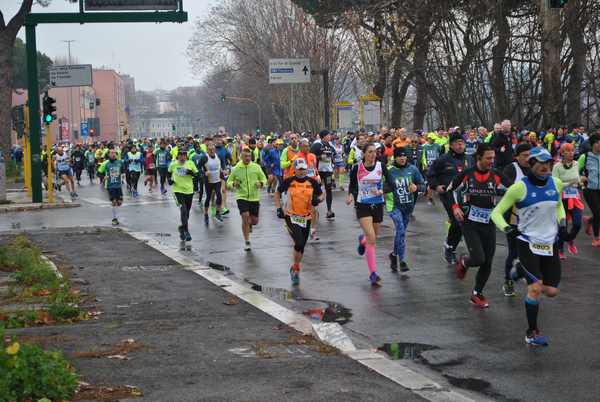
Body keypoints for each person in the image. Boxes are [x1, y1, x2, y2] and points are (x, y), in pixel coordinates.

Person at [491, 147, 567, 346]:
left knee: (551, 291)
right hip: (527, 242)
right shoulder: (519, 188)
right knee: (535, 288)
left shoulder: (556, 183)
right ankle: (531, 333)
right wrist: (507, 228)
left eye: (548, 163)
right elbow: (496, 213)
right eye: (540, 163)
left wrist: (562, 222)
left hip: (550, 243)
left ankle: (517, 271)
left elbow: (558, 205)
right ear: (531, 164)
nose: (545, 166)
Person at [452, 144, 511, 308]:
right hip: (469, 223)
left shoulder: (497, 175)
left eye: (493, 158)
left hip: (488, 222)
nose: (492, 161)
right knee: (478, 258)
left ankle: (477, 293)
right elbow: (450, 190)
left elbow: (515, 189)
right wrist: (455, 207)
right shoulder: (467, 174)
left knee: (487, 262)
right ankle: (463, 262)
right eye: (488, 158)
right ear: (478, 158)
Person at [274, 158, 323, 285]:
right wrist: (279, 208)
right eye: (299, 169)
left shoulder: (312, 182)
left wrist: (318, 200)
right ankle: (295, 269)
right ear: (294, 170)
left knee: (301, 247)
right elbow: (277, 193)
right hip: (291, 216)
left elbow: (321, 195)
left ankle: (295, 267)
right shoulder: (289, 181)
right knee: (299, 243)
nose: (302, 171)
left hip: (306, 218)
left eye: (304, 169)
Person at [346, 143, 388, 287]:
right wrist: (351, 195)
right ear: (364, 154)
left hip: (378, 204)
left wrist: (382, 191)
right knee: (372, 238)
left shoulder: (381, 166)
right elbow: (352, 185)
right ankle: (373, 274)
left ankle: (362, 240)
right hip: (362, 205)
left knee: (373, 237)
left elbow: (390, 183)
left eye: (374, 152)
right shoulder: (357, 168)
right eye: (369, 152)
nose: (372, 155)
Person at [428, 133, 469, 264]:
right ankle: (449, 248)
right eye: (457, 142)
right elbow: (431, 174)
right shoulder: (443, 160)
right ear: (451, 145)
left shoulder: (469, 159)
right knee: (457, 221)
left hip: (466, 195)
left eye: (462, 142)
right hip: (448, 195)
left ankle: (452, 245)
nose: (460, 145)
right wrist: (435, 186)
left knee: (463, 224)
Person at [385, 147, 424, 272]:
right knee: (400, 229)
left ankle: (394, 255)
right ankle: (401, 261)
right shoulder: (389, 170)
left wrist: (416, 187)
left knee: (400, 234)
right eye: (399, 156)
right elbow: (380, 185)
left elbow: (423, 185)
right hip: (394, 206)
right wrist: (384, 191)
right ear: (394, 157)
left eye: (404, 156)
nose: (402, 158)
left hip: (408, 207)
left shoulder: (412, 169)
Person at [500, 142, 531, 296]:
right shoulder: (511, 169)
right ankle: (508, 282)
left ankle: (524, 274)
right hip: (513, 218)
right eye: (524, 155)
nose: (527, 158)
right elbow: (503, 189)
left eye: (529, 155)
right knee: (514, 252)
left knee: (530, 251)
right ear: (516, 156)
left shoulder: (535, 168)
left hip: (531, 219)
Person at [227, 148, 268, 251]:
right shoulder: (236, 168)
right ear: (241, 157)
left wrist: (261, 183)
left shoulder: (256, 167)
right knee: (245, 216)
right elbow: (228, 182)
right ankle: (247, 241)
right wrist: (233, 184)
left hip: (254, 197)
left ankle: (249, 224)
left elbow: (264, 179)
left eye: (249, 156)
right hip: (242, 196)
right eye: (245, 156)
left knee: (254, 221)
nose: (248, 158)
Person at [552, 143, 584, 258]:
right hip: (562, 199)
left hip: (574, 197)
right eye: (568, 151)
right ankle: (560, 249)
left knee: (577, 223)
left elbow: (577, 177)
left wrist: (580, 181)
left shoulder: (576, 164)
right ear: (562, 153)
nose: (571, 153)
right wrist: (568, 184)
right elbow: (555, 183)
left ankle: (570, 240)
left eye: (572, 151)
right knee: (562, 225)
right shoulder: (557, 167)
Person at [168, 148, 199, 242]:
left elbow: (198, 175)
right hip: (177, 190)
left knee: (187, 213)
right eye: (180, 155)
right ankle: (186, 231)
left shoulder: (190, 164)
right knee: (183, 210)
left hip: (189, 191)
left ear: (186, 156)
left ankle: (182, 228)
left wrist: (191, 173)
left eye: (184, 155)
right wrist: (170, 180)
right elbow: (168, 173)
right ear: (178, 156)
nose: (182, 157)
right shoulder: (173, 164)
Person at [579, 134, 600, 246]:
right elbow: (575, 170)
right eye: (599, 142)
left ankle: (589, 220)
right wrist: (580, 178)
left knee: (598, 214)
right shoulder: (585, 156)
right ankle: (596, 238)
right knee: (597, 212)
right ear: (594, 144)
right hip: (589, 189)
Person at [311, 130, 337, 220]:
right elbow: (310, 156)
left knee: (328, 189)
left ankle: (329, 210)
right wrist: (319, 157)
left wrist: (333, 160)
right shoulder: (317, 145)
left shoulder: (330, 145)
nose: (330, 136)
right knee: (316, 190)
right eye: (328, 135)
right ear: (324, 136)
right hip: (318, 171)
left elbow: (334, 155)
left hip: (328, 172)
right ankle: (315, 209)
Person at [97, 148, 125, 225]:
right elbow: (99, 173)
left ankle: (116, 214)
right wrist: (103, 178)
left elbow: (123, 170)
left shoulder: (119, 162)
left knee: (119, 202)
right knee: (114, 202)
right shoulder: (105, 163)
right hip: (110, 186)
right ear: (108, 154)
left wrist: (123, 175)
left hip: (118, 185)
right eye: (111, 153)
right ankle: (114, 218)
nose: (113, 154)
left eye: (114, 153)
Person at [202, 142, 224, 224]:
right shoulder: (205, 157)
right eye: (210, 149)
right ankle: (205, 214)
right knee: (208, 197)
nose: (211, 151)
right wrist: (204, 173)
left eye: (213, 149)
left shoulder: (218, 157)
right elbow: (198, 167)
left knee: (219, 195)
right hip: (209, 181)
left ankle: (218, 213)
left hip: (217, 180)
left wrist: (223, 172)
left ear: (215, 149)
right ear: (207, 150)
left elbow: (220, 168)